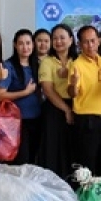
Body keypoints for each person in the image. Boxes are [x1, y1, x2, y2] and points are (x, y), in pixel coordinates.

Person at [68, 26, 101, 174]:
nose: (90, 45)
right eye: (85, 42)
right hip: (86, 120)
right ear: (79, 45)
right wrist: (73, 83)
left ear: (99, 41)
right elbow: (72, 93)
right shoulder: (76, 64)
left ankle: (100, 194)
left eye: (93, 41)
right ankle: (85, 194)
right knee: (87, 162)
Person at [0, 29, 42, 165]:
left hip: (37, 120)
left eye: (28, 43)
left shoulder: (37, 65)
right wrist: (25, 92)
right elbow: (0, 95)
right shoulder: (9, 66)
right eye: (21, 43)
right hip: (17, 123)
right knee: (22, 161)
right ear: (15, 45)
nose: (25, 47)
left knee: (34, 160)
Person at [39, 23, 77, 177]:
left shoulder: (78, 60)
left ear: (71, 40)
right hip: (54, 108)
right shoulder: (47, 62)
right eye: (55, 38)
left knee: (71, 149)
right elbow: (47, 90)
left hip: (76, 106)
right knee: (52, 150)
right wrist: (66, 110)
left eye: (62, 37)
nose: (58, 41)